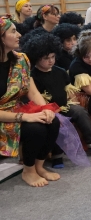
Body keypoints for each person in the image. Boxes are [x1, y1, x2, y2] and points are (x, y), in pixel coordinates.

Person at [21, 32, 91, 158]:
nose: (51, 60)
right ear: (36, 58)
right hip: (47, 110)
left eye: (53, 56)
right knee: (55, 122)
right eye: (46, 58)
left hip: (65, 105)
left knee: (80, 112)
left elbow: (69, 91)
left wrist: (75, 102)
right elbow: (34, 98)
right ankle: (57, 155)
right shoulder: (33, 76)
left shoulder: (60, 71)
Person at [0, 16, 61, 187]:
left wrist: (45, 108)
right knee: (35, 128)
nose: (19, 35)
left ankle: (38, 166)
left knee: (52, 120)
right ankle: (28, 170)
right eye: (13, 31)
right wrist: (26, 117)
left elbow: (31, 90)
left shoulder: (21, 59)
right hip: (4, 116)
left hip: (16, 109)